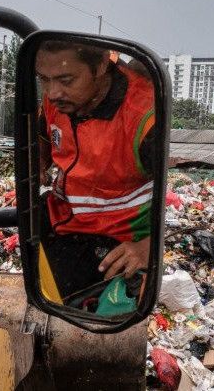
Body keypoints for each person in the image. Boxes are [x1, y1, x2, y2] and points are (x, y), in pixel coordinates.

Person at [36, 40, 156, 300]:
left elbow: (170, 190)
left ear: (102, 65)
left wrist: (149, 247)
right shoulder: (56, 101)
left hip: (118, 240)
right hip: (62, 219)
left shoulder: (144, 117)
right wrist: (39, 163)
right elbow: (43, 135)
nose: (53, 92)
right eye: (44, 80)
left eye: (66, 80)